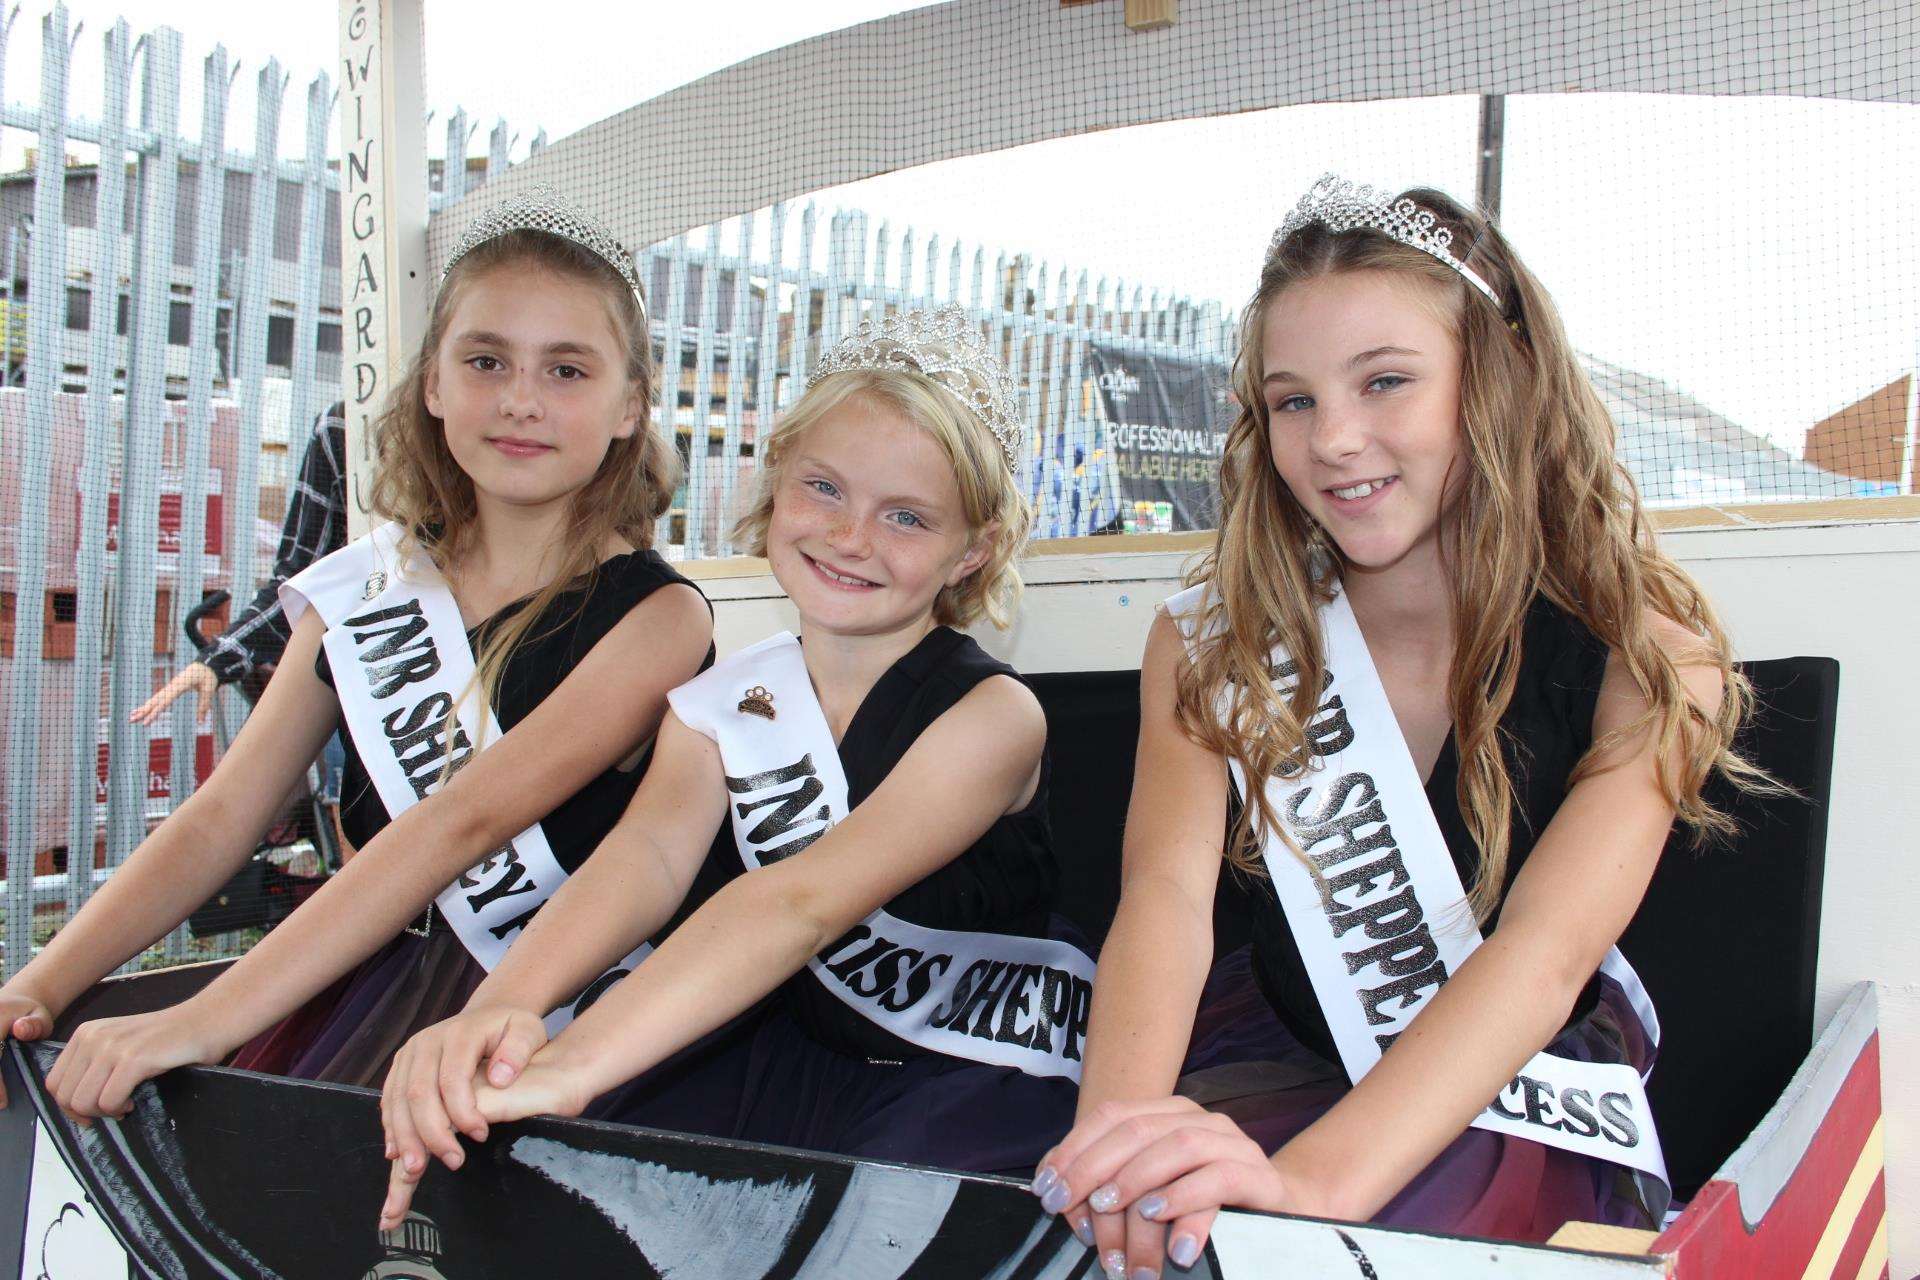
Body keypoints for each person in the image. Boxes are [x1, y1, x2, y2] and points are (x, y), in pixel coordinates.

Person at [1030, 176, 1769, 1278]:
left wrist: (1307, 1189)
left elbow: (1543, 955)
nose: (1335, 439)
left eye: (1385, 382)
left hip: (1505, 1103)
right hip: (1271, 1046)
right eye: (1293, 400)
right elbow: (1167, 899)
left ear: (1500, 381)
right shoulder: (1211, 643)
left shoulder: (1650, 658)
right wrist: (1119, 1144)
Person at [376, 305, 1096, 1231]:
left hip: (962, 1070)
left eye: (907, 516)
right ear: (776, 486)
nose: (851, 536)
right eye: (824, 489)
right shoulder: (725, 703)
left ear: (975, 550)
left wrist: (573, 1063)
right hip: (780, 1052)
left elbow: (800, 902)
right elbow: (646, 861)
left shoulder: (995, 719)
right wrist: (507, 1006)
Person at [0, 186, 712, 1112]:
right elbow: (223, 817)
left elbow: (460, 826)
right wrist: (40, 983)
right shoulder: (368, 585)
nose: (521, 400)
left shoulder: (658, 618)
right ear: (433, 385)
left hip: (531, 1026)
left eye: (567, 370)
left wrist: (204, 1018)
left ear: (630, 407)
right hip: (352, 980)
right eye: (486, 360)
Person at [130, 403, 351, 854]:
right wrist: (219, 660)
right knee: (368, 873)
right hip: (364, 693)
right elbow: (299, 580)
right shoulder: (343, 427)